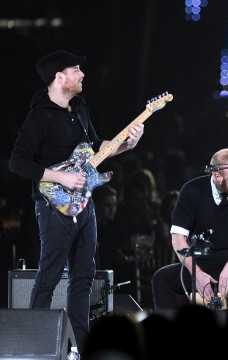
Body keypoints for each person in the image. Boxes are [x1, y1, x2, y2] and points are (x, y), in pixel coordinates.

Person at [8, 49, 145, 353]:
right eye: (76, 69)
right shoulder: (39, 116)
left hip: (84, 203)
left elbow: (96, 151)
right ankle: (36, 347)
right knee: (50, 273)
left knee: (84, 275)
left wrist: (125, 146)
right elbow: (17, 162)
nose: (82, 74)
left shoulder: (79, 107)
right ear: (60, 77)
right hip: (53, 205)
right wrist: (61, 178)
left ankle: (81, 347)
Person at [151, 147, 228, 311]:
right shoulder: (191, 190)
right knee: (161, 279)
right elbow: (178, 237)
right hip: (199, 263)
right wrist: (196, 272)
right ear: (218, 177)